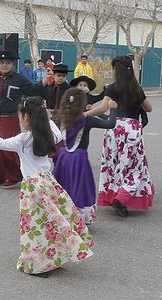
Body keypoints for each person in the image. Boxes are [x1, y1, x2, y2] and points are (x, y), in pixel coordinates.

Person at [0, 96, 93, 278]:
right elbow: (55, 130)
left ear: (26, 118)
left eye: (20, 115)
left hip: (33, 187)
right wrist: (46, 116)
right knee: (52, 222)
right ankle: (55, 256)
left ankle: (38, 264)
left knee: (35, 226)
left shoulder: (23, 139)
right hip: (48, 182)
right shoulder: (50, 135)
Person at [85, 56, 154, 217]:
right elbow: (149, 108)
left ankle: (114, 192)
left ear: (116, 70)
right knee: (135, 165)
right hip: (132, 129)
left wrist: (84, 114)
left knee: (113, 164)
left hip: (114, 128)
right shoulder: (137, 88)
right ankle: (122, 197)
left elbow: (102, 108)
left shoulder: (112, 88)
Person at [0, 49, 45, 188]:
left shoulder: (18, 78)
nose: (4, 65)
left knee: (8, 148)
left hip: (10, 117)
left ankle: (13, 176)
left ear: (12, 64)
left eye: (8, 62)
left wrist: (44, 81)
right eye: (1, 62)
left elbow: (32, 89)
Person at [53, 88, 117, 224]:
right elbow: (110, 124)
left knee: (65, 185)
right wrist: (113, 109)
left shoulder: (61, 117)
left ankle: (62, 214)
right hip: (79, 158)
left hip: (63, 156)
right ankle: (79, 217)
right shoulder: (86, 120)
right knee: (80, 187)